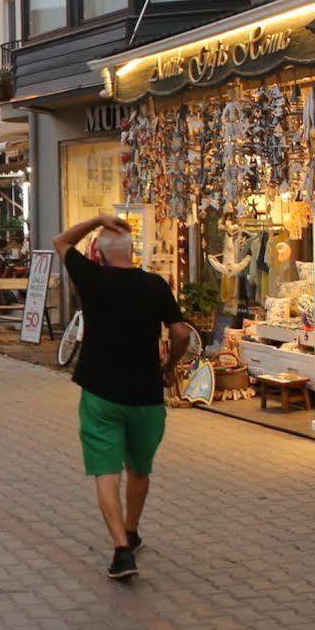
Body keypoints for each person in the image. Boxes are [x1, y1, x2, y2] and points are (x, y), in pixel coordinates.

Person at [52, 213, 190, 581]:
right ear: (133, 251)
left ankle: (121, 550)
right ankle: (131, 529)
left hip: (100, 391)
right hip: (146, 394)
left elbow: (62, 241)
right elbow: (180, 333)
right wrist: (169, 364)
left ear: (98, 251)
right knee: (140, 468)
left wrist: (97, 219)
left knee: (106, 471)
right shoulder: (155, 285)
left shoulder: (92, 278)